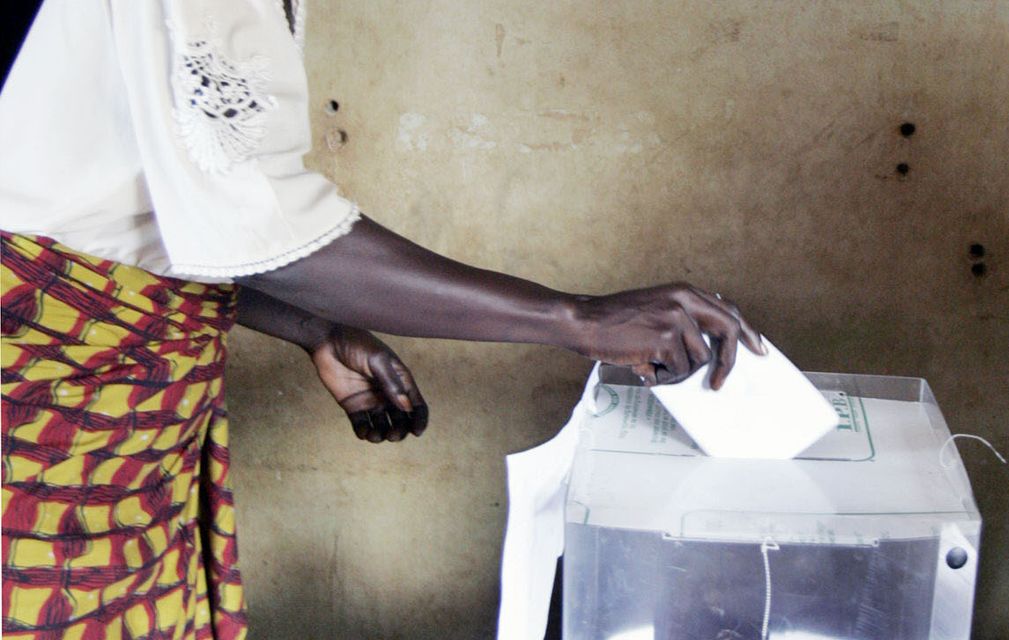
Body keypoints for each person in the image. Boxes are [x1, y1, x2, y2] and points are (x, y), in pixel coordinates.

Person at [0, 1, 762, 638]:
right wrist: (576, 318)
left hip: (123, 431)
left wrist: (315, 326)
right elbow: (258, 219)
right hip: (43, 418)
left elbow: (147, 209)